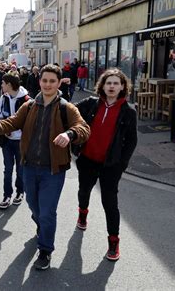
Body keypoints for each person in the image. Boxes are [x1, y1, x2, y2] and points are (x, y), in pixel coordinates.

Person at [0, 64, 90, 270]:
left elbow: (83, 128)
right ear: (39, 81)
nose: (48, 84)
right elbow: (13, 122)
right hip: (29, 167)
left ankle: (45, 250)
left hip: (53, 170)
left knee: (48, 212)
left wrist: (69, 135)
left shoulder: (66, 108)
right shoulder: (29, 106)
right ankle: (42, 227)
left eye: (52, 81)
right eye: (44, 80)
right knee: (34, 206)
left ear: (59, 83)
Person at [73, 68, 137, 261]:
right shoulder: (91, 104)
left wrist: (122, 165)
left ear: (122, 86)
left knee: (110, 204)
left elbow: (131, 141)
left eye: (116, 83)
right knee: (83, 192)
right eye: (108, 83)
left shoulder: (128, 111)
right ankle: (82, 213)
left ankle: (113, 242)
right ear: (102, 85)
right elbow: (70, 111)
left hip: (111, 166)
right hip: (87, 160)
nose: (112, 86)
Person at [0, 74, 29, 210]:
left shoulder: (26, 100)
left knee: (20, 170)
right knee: (7, 169)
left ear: (9, 84)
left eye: (3, 83)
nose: (1, 86)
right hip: (7, 141)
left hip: (20, 141)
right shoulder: (3, 98)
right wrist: (3, 127)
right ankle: (7, 195)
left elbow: (29, 122)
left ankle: (20, 192)